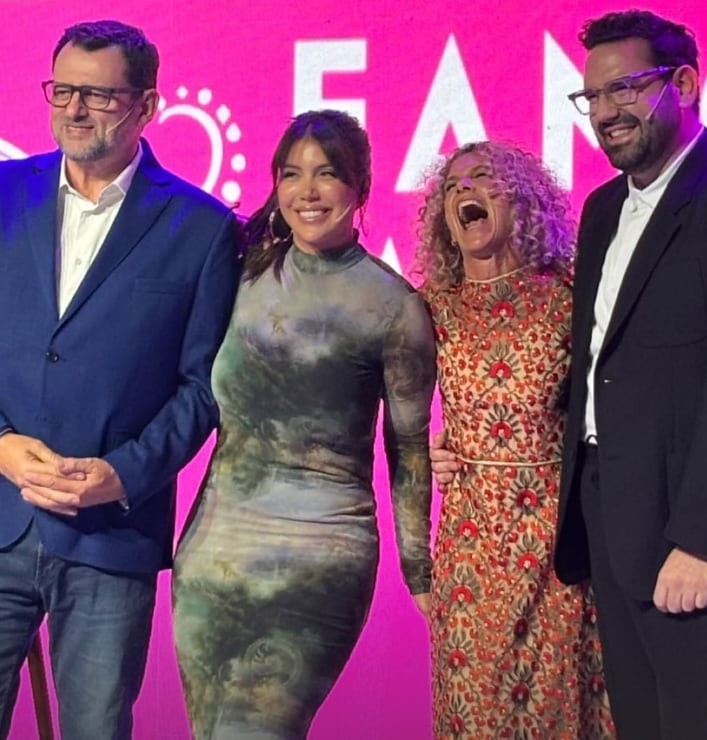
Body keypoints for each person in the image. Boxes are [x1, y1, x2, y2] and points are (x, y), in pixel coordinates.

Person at [0, 20, 240, 739]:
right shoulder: (5, 192)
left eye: (99, 96)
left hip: (110, 532)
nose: (75, 110)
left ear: (147, 106)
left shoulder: (201, 227)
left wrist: (121, 474)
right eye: (62, 90)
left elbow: (203, 388)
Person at [173, 109, 436, 739]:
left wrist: (419, 572)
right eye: (291, 175)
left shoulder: (395, 307)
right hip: (214, 549)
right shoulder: (241, 272)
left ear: (360, 188)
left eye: (326, 175)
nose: (307, 192)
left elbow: (410, 453)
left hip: (318, 560)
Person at [552, 9, 707, 739]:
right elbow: (601, 365)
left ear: (685, 83)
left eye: (624, 88)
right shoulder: (599, 211)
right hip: (611, 528)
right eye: (592, 96)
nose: (605, 112)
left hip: (695, 548)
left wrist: (701, 539)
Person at [415, 140, 614, 738]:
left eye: (482, 179)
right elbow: (396, 412)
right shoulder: (431, 307)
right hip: (471, 544)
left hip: (560, 542)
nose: (463, 192)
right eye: (451, 186)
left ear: (524, 200)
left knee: (561, 712)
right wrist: (428, 449)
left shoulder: (571, 294)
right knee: (478, 711)